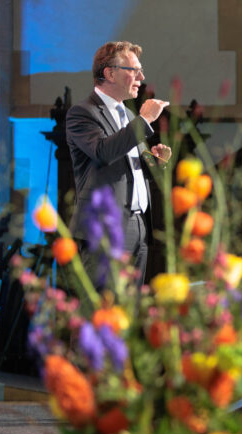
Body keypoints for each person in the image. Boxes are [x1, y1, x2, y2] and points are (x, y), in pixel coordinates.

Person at [66, 41, 171, 288]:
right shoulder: (83, 112)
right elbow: (102, 152)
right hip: (104, 230)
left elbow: (136, 164)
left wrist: (157, 162)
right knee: (103, 314)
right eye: (133, 70)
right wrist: (145, 119)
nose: (141, 77)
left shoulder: (129, 116)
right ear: (110, 73)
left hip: (139, 226)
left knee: (130, 317)